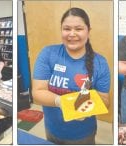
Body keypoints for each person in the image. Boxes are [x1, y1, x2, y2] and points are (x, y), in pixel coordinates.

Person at [32, 7, 110, 144]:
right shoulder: (48, 54)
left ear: (88, 31)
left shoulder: (100, 63)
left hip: (83, 135)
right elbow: (37, 92)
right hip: (53, 130)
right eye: (67, 29)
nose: (72, 34)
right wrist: (62, 102)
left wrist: (89, 106)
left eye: (78, 29)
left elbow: (105, 100)